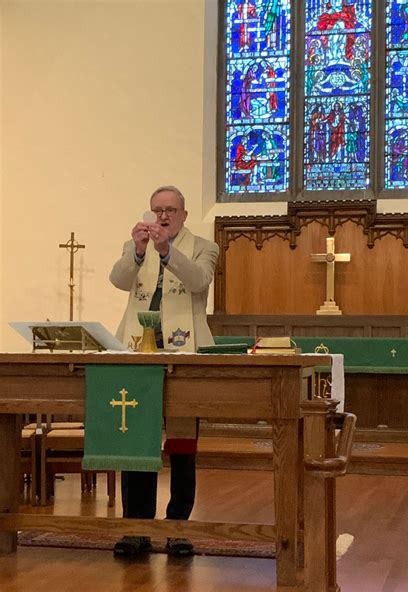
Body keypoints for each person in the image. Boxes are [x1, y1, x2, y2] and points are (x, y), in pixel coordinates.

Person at [109, 185, 219, 558]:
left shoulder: (204, 247)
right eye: (157, 209)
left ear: (184, 215)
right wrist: (139, 252)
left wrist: (166, 252)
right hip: (139, 351)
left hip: (184, 354)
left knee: (182, 445)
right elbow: (119, 281)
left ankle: (178, 528)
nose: (163, 216)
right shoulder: (135, 246)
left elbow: (199, 281)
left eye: (171, 209)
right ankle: (135, 528)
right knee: (136, 442)